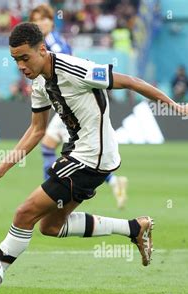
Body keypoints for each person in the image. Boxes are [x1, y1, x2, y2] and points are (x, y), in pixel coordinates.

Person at [0, 23, 188, 294]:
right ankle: (134, 228)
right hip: (78, 151)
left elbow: (130, 81)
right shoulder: (39, 84)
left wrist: (177, 107)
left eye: (24, 57)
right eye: (15, 60)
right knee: (51, 227)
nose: (20, 65)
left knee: (25, 213)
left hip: (93, 156)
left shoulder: (75, 69)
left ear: (42, 50)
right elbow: (37, 130)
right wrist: (2, 168)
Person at [30, 4, 128, 209]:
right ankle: (111, 181)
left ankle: (52, 192)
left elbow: (63, 72)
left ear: (51, 21)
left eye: (44, 19)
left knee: (62, 146)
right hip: (66, 99)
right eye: (36, 20)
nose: (40, 23)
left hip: (69, 101)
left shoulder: (52, 45)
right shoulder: (54, 41)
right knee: (52, 145)